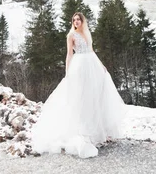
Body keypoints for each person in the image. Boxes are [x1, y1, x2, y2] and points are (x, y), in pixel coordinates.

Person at [31, 12, 125, 158]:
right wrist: (67, 71)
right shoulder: (71, 35)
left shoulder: (87, 33)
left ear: (82, 21)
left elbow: (92, 50)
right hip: (80, 65)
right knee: (81, 96)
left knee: (95, 94)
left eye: (78, 20)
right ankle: (82, 129)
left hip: (91, 63)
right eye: (74, 20)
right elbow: (69, 54)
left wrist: (101, 65)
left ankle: (97, 129)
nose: (76, 22)